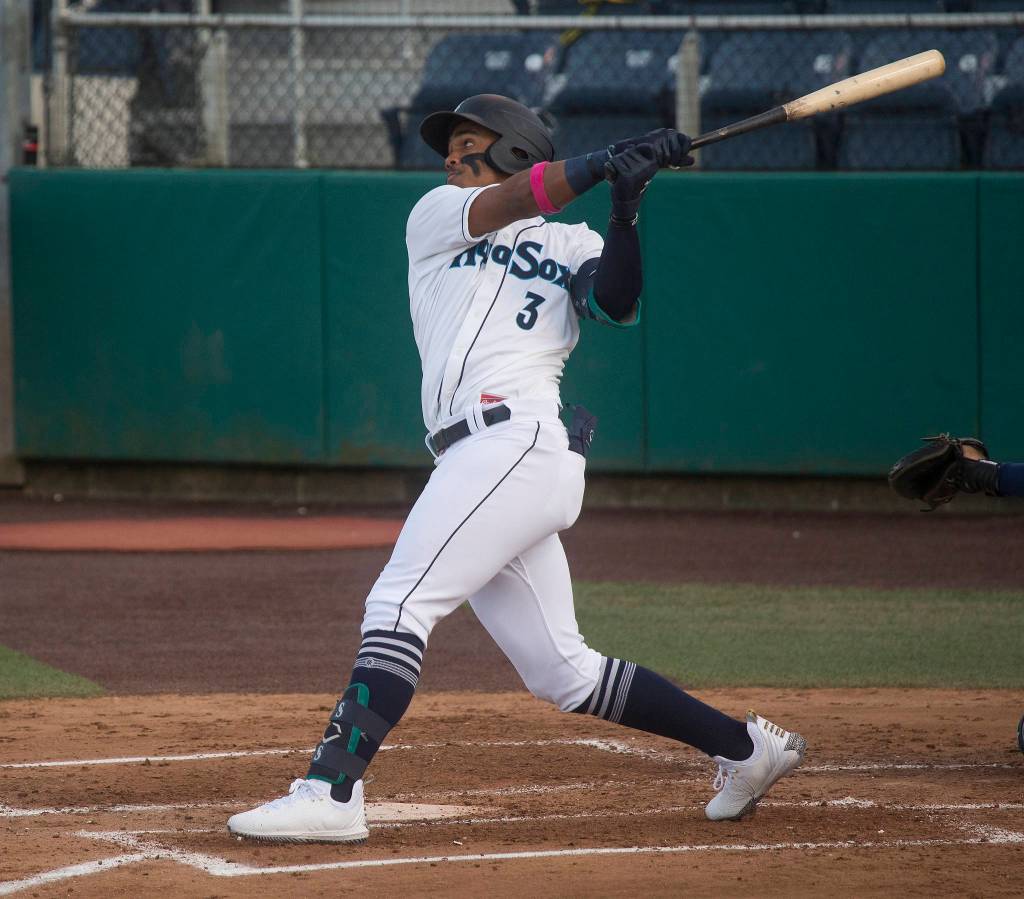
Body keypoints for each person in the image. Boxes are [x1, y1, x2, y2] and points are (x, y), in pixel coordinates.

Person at [227, 94, 806, 843]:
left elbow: (616, 303)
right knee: (564, 671)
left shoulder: (568, 243)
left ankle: (330, 791)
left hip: (516, 442)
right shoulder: (438, 214)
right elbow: (516, 198)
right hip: (488, 455)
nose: (450, 156)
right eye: (451, 145)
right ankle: (746, 748)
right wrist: (605, 164)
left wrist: (625, 208)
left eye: (468, 143)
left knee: (399, 603)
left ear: (514, 150)